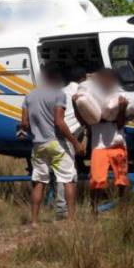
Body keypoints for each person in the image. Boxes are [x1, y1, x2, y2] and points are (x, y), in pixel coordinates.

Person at [19, 64, 85, 225]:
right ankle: (71, 219)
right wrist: (76, 142)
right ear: (57, 78)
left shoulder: (29, 96)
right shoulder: (58, 94)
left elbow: (24, 124)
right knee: (68, 179)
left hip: (38, 145)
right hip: (57, 143)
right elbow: (59, 122)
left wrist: (34, 133)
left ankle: (34, 221)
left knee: (39, 182)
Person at [75, 68, 130, 214]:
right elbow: (84, 121)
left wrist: (122, 109)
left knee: (121, 179)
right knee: (97, 180)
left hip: (117, 143)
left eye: (107, 78)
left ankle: (123, 209)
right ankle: (94, 210)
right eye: (102, 78)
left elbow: (120, 124)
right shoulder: (93, 97)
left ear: (112, 80)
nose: (105, 81)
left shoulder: (118, 96)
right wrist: (76, 105)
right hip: (98, 146)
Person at [54, 66, 88, 219]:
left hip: (56, 135)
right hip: (69, 135)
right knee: (67, 176)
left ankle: (62, 207)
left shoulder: (62, 91)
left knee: (61, 172)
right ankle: (63, 210)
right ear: (83, 79)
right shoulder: (81, 92)